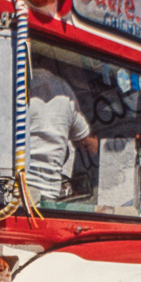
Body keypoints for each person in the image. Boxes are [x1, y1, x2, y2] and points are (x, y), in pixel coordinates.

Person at [25, 65, 98, 201]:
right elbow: (90, 146)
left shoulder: (16, 84)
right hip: (49, 194)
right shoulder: (63, 90)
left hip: (16, 193)